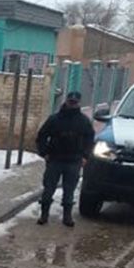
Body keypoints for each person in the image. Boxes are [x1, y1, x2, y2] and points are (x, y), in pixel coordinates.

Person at [35, 91, 95, 227]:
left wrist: (85, 156)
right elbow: (41, 136)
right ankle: (44, 215)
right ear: (66, 101)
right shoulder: (54, 119)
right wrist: (44, 153)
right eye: (70, 101)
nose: (72, 104)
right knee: (48, 189)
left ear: (79, 103)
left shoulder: (84, 121)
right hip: (55, 159)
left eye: (75, 102)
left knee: (69, 191)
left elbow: (90, 140)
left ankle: (67, 217)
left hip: (74, 161)